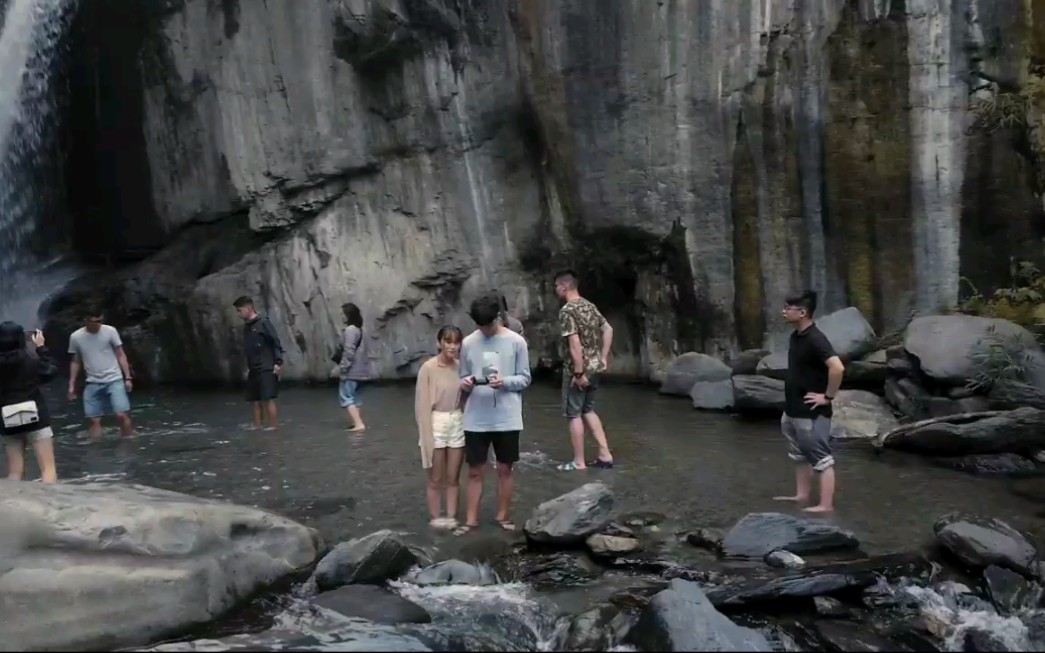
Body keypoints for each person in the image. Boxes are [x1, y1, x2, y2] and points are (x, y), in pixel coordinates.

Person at [454, 294, 531, 535]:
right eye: (480, 325)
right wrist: (465, 383)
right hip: (476, 416)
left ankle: (503, 516)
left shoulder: (516, 341)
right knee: (475, 470)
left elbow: (526, 378)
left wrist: (505, 381)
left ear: (498, 317)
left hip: (507, 416)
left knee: (505, 469)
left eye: (487, 324)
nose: (484, 330)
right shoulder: (468, 343)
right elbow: (462, 377)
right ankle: (471, 521)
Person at [773, 290, 845, 513]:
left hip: (811, 412)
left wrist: (828, 396)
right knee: (799, 455)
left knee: (821, 459)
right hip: (793, 409)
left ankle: (825, 505)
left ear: (802, 312)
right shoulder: (796, 336)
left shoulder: (816, 338)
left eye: (788, 308)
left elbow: (837, 367)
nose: (783, 312)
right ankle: (802, 495)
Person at [553, 269, 615, 471]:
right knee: (588, 409)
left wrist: (578, 374)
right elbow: (608, 329)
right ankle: (605, 454)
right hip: (595, 367)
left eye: (556, 286)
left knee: (573, 414)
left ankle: (578, 461)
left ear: (563, 286)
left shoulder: (567, 310)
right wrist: (603, 357)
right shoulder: (589, 305)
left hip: (577, 371)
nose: (556, 290)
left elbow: (574, 343)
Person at [414, 325, 465, 529]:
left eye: (456, 342)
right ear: (439, 343)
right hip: (435, 420)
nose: (452, 346)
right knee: (435, 477)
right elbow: (422, 404)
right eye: (448, 341)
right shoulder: (428, 368)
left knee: (453, 477)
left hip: (457, 419)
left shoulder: (461, 366)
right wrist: (425, 435)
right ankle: (436, 517)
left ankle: (451, 516)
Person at [0, 323, 57, 482]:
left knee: (14, 472)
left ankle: (12, 504)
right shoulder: (31, 361)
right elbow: (51, 371)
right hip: (36, 417)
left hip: (7, 418)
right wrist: (41, 347)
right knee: (48, 469)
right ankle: (50, 503)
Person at [68, 309, 134, 441]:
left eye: (99, 321)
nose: (97, 324)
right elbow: (76, 361)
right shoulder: (76, 337)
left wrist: (127, 377)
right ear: (86, 321)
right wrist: (71, 385)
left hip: (114, 378)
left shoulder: (110, 331)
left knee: (121, 414)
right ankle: (96, 448)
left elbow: (120, 354)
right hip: (92, 381)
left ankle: (129, 439)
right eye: (94, 322)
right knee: (93, 419)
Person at [233, 296, 284, 430]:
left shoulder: (263, 322)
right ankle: (257, 428)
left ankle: (274, 428)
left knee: (268, 399)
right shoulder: (247, 327)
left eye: (240, 310)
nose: (239, 314)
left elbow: (275, 342)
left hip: (266, 366)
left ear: (249, 308)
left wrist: (278, 362)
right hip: (253, 368)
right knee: (255, 400)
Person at [338, 302, 371, 432]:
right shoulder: (361, 330)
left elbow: (349, 351)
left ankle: (358, 424)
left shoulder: (350, 330)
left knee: (346, 396)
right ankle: (357, 423)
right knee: (356, 397)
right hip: (361, 369)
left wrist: (343, 368)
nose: (341, 316)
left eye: (342, 314)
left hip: (352, 370)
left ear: (348, 315)